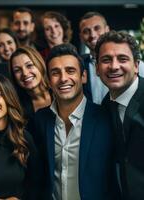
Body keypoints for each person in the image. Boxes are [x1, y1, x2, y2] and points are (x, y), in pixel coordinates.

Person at [31, 43, 119, 200]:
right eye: (55, 73)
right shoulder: (40, 120)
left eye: (70, 71)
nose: (63, 78)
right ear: (49, 80)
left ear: (83, 76)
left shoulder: (106, 119)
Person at [95, 30, 144, 199]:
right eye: (106, 60)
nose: (114, 66)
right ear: (97, 68)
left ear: (136, 65)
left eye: (122, 59)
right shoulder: (105, 105)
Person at [9, 46, 51, 121]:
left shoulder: (58, 91)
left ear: (39, 65)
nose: (25, 73)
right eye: (17, 70)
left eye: (29, 65)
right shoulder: (17, 109)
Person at [79, 11, 110, 104]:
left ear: (107, 29)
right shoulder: (79, 65)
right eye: (86, 31)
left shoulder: (129, 63)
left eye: (97, 28)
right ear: (81, 37)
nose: (92, 35)